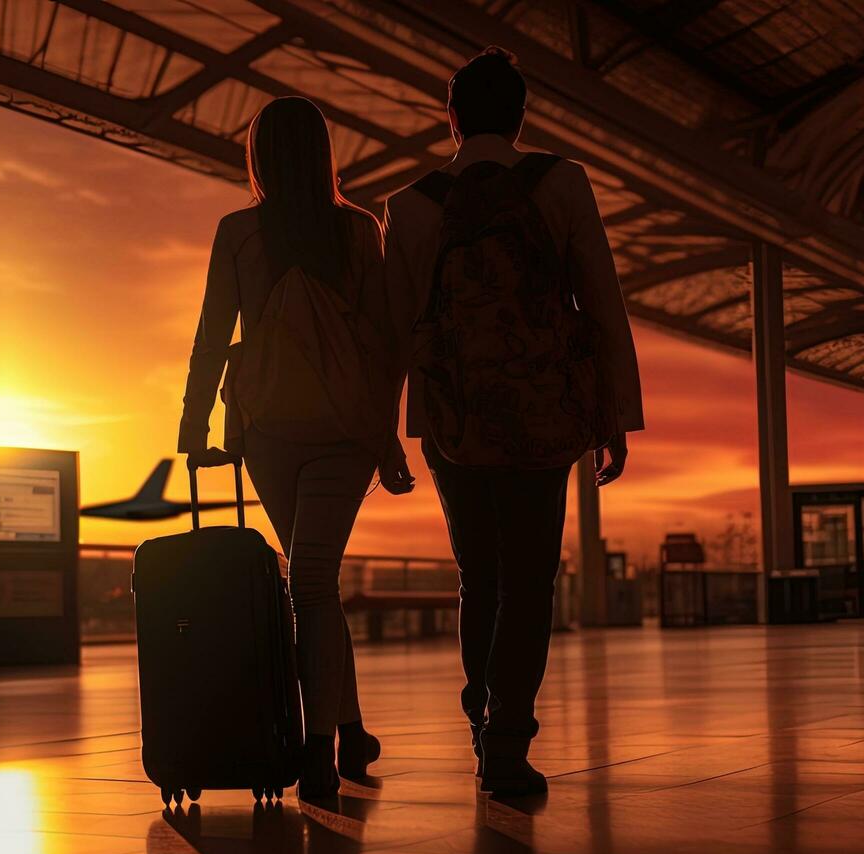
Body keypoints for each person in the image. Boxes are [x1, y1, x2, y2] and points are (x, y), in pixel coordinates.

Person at [384, 48, 645, 797]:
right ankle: (507, 735)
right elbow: (600, 301)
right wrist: (611, 416)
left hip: (451, 420)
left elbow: (395, 331)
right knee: (530, 580)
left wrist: (387, 432)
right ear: (522, 115)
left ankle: (480, 717)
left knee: (479, 576)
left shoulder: (410, 205)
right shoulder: (560, 183)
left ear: (452, 117)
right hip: (542, 413)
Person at [178, 96, 415, 800]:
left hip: (270, 430)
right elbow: (380, 345)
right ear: (322, 155)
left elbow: (212, 335)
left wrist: (193, 429)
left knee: (308, 581)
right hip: (342, 431)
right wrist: (386, 436)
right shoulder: (357, 232)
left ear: (257, 158)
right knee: (315, 583)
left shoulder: (238, 233)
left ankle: (319, 745)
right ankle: (347, 732)